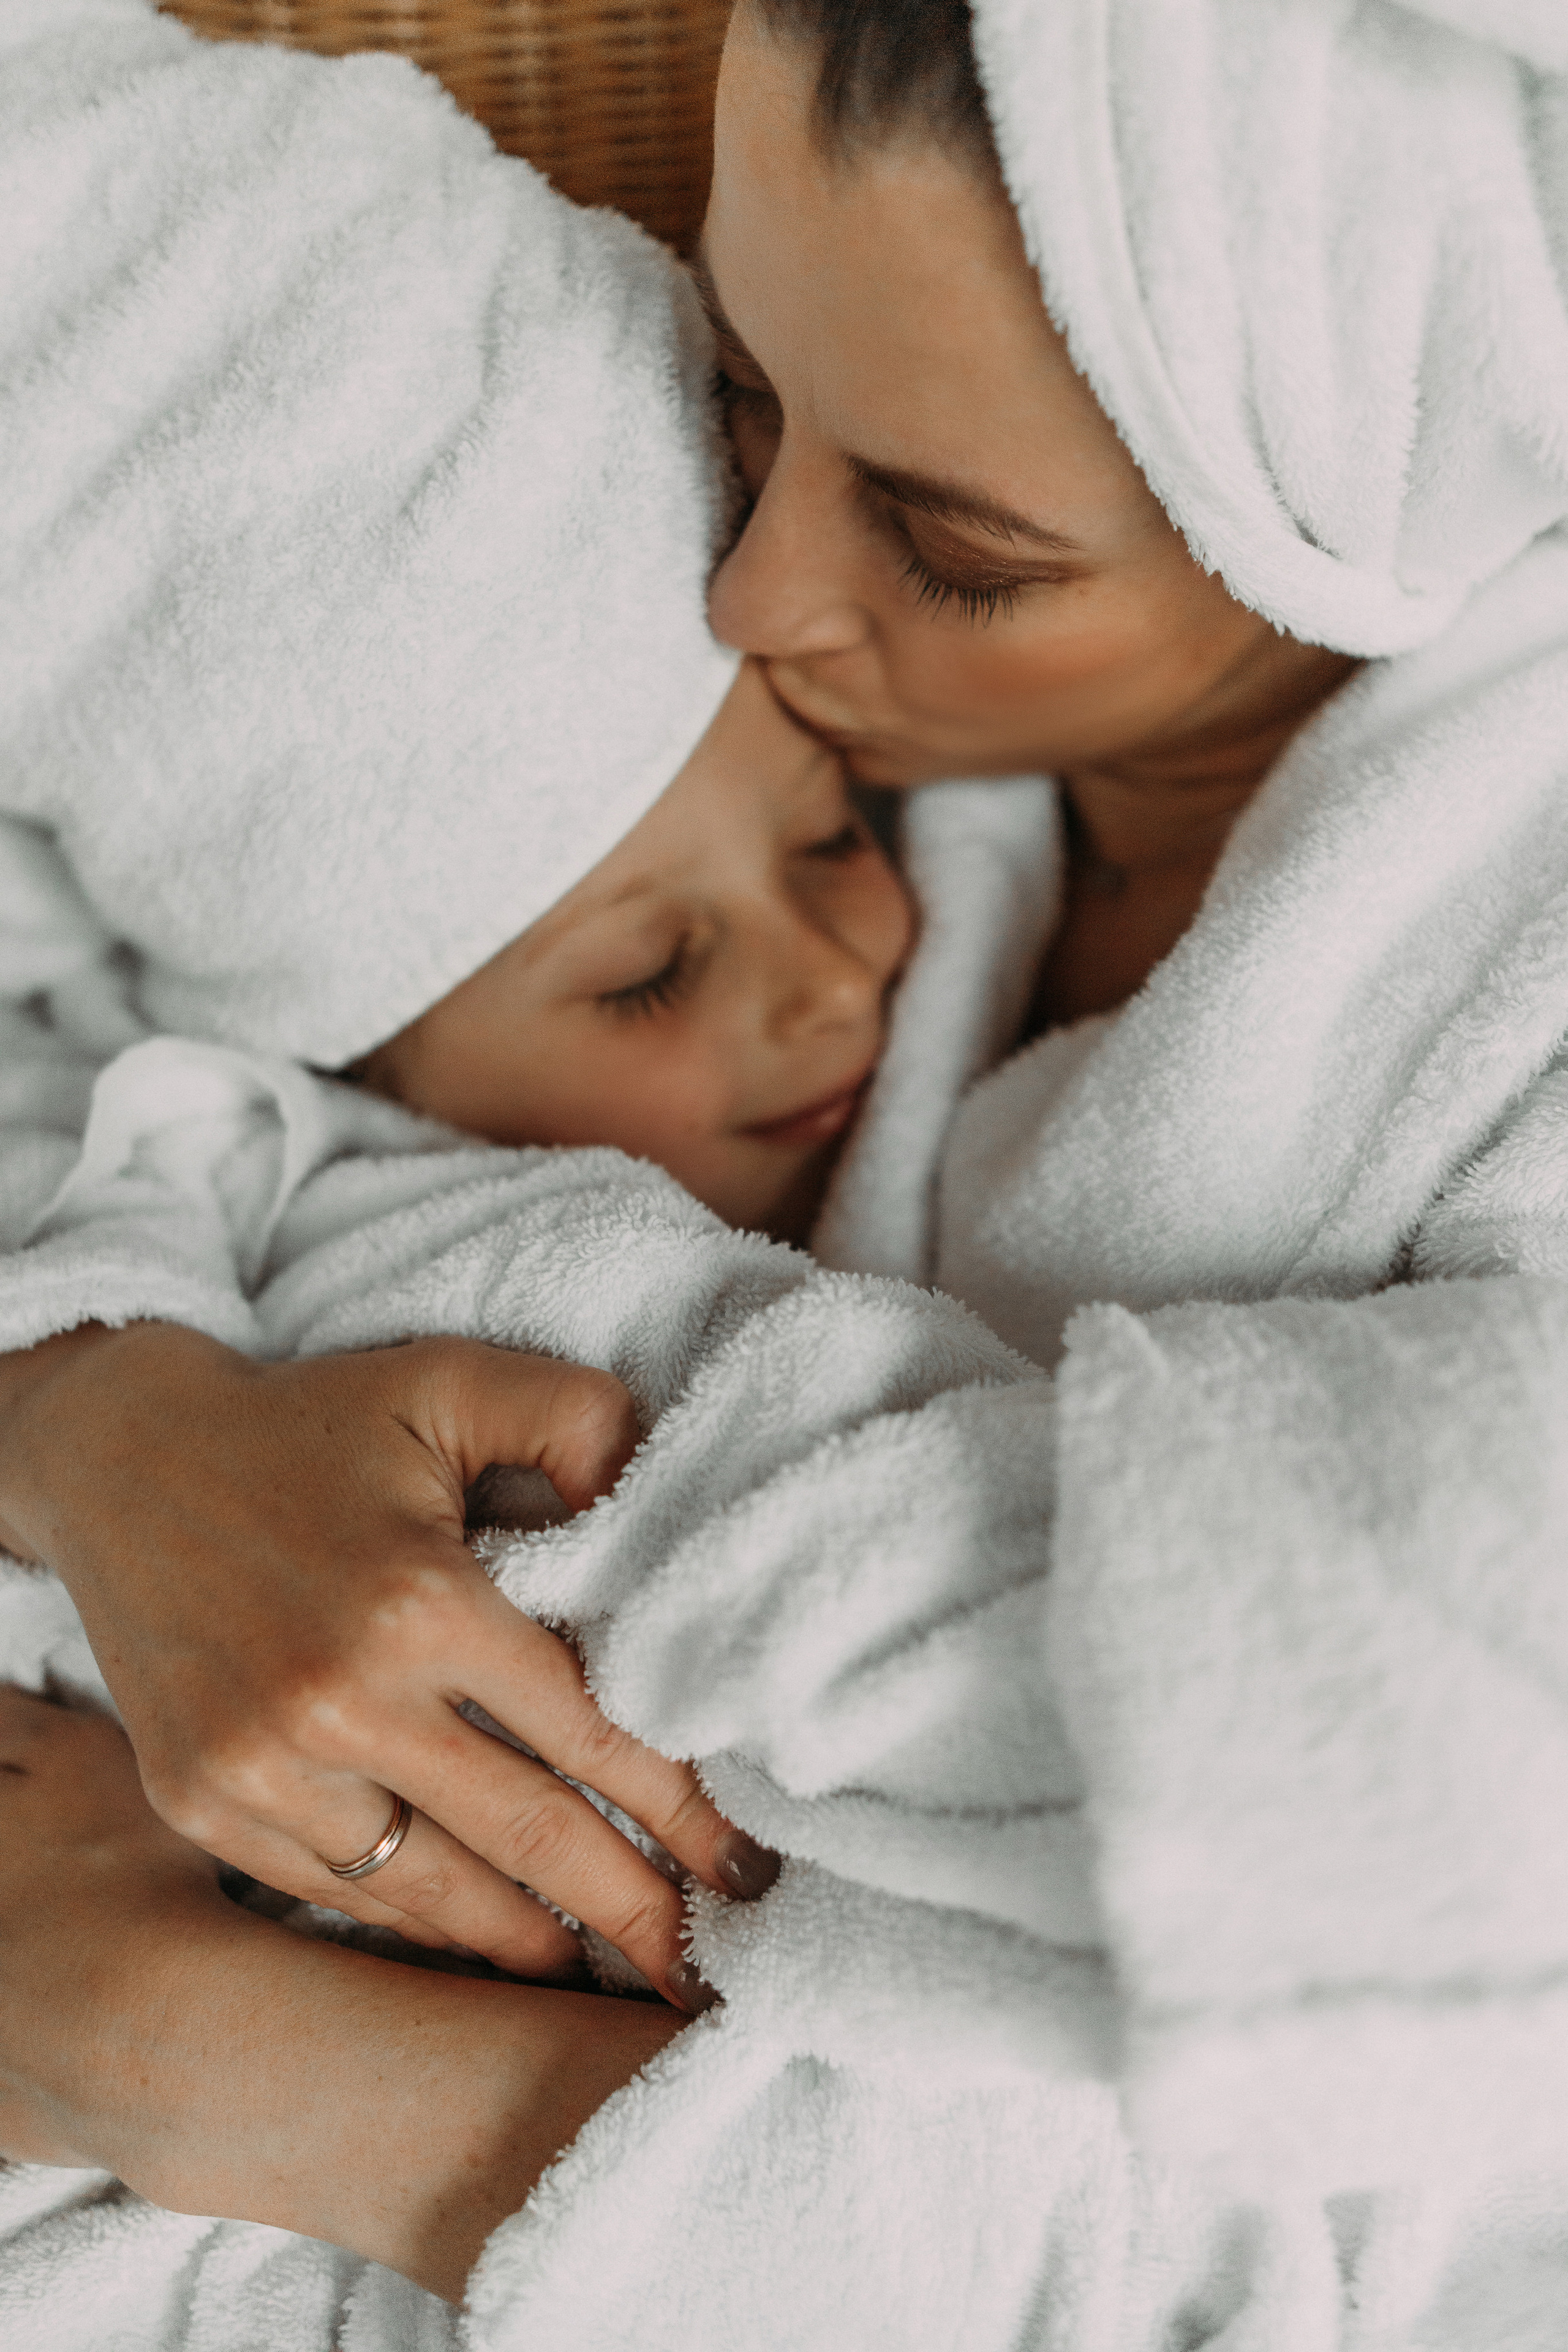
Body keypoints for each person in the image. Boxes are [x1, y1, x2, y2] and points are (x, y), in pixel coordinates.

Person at [9, 0, 1568, 2346]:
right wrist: (105, 1423)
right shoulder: (759, 722)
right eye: (739, 393)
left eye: (948, 536)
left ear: (1380, 470)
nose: (743, 588)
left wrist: (257, 2070)